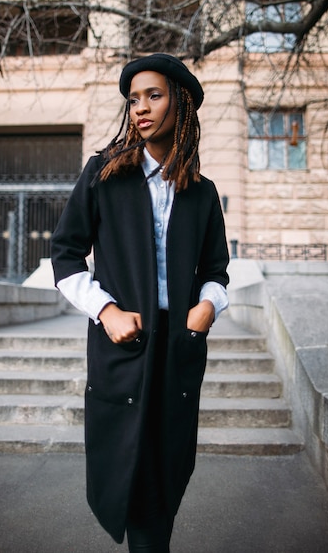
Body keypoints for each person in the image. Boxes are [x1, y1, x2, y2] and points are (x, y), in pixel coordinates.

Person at [50, 53, 229, 552]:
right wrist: (106, 311)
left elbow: (217, 271)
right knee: (129, 475)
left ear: (182, 103)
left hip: (179, 345)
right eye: (133, 99)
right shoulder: (104, 174)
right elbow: (64, 256)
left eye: (154, 95)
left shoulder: (203, 193)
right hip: (123, 346)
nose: (140, 108)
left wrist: (206, 309)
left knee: (166, 473)